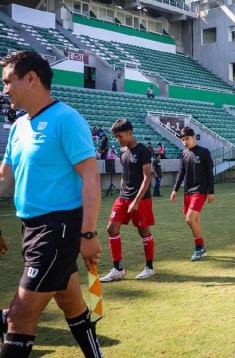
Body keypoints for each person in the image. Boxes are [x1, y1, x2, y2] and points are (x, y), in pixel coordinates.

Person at [0, 51, 103, 357]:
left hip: (57, 230)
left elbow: (90, 178)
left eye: (8, 81)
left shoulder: (67, 119)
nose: (5, 89)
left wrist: (87, 234)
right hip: (31, 229)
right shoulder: (18, 127)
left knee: (19, 317)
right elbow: (5, 180)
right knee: (70, 301)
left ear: (31, 78)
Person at [100, 119, 156, 282]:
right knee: (111, 228)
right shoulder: (123, 150)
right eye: (116, 137)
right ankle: (117, 269)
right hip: (123, 197)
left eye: (120, 136)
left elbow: (147, 178)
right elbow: (125, 174)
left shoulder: (143, 151)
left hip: (141, 199)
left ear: (130, 132)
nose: (118, 139)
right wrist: (122, 190)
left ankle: (149, 267)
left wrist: (136, 201)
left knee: (143, 231)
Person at [171, 127, 215, 262]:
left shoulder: (204, 152)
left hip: (200, 190)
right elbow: (181, 173)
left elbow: (209, 173)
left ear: (193, 137)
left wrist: (211, 192)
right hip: (187, 192)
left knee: (189, 219)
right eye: (183, 140)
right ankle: (202, 249)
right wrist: (175, 190)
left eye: (187, 139)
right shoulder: (184, 154)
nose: (185, 142)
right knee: (195, 221)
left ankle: (199, 247)